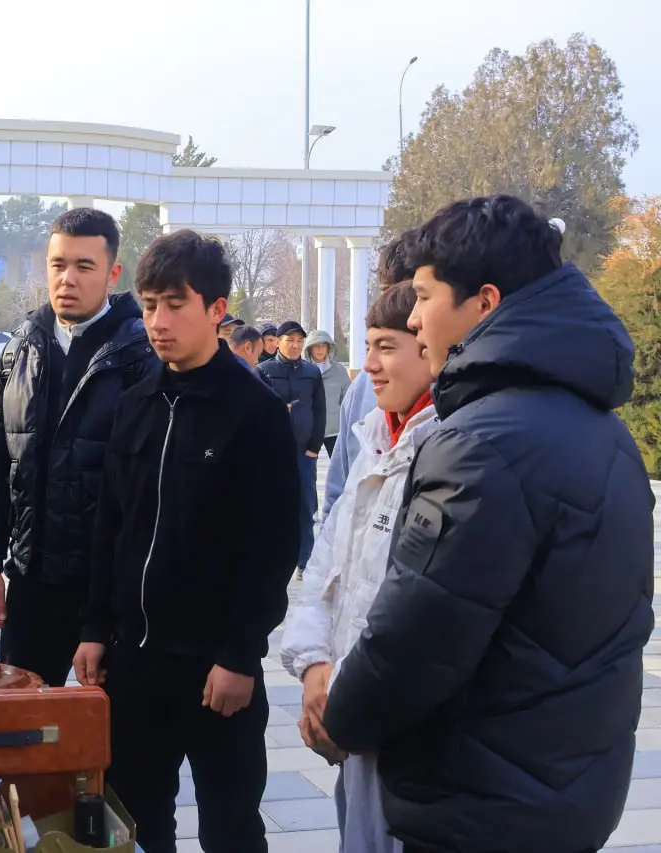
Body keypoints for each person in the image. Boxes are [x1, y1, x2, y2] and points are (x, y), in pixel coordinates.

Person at [323, 196, 655, 853]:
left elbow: (414, 641)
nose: (413, 318)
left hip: (478, 801)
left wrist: (342, 719)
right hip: (569, 789)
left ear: (484, 302)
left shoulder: (479, 444)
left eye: (424, 296)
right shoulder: (606, 432)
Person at [74, 230, 299, 853]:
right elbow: (110, 526)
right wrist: (95, 628)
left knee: (231, 828)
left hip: (215, 669)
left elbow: (273, 545)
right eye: (149, 305)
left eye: (175, 305)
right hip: (134, 664)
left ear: (216, 309)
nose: (158, 321)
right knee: (136, 823)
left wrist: (240, 654)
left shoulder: (254, 412)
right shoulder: (136, 403)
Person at [0, 207, 156, 689]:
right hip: (34, 577)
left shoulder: (142, 357)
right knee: (22, 718)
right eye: (58, 264)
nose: (67, 279)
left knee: (111, 726)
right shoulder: (20, 351)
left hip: (113, 586)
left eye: (84, 266)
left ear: (113, 273)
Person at [280, 282, 438, 853]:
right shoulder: (373, 434)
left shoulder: (449, 450)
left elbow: (416, 612)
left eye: (386, 347)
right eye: (367, 346)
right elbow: (327, 568)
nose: (368, 365)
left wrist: (345, 703)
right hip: (351, 717)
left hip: (401, 729)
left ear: (431, 347)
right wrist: (314, 668)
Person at [320, 232, 415, 524]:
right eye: (387, 292)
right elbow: (339, 490)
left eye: (412, 294)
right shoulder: (362, 387)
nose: (392, 307)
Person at [257, 319, 326, 571]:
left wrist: (314, 448)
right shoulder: (263, 370)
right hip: (273, 454)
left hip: (303, 452)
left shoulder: (312, 372)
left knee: (305, 507)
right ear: (278, 342)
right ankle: (273, 557)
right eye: (290, 340)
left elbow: (320, 411)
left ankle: (303, 560)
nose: (296, 345)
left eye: (299, 341)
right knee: (272, 506)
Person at [303, 329, 351, 457]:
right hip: (309, 429)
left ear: (329, 348)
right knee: (308, 465)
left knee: (339, 464)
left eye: (323, 345)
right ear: (309, 349)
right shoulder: (302, 370)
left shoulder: (339, 370)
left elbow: (347, 397)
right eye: (316, 346)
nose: (320, 349)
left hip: (334, 429)